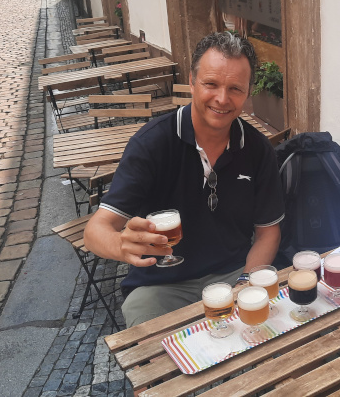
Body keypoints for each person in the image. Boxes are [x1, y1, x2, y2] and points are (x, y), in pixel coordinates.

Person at [83, 32, 285, 328]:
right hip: (162, 286)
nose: (222, 98)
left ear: (248, 92)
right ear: (192, 81)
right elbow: (94, 232)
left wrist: (245, 282)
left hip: (234, 272)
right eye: (211, 84)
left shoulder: (257, 149)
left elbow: (268, 233)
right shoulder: (152, 144)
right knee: (146, 336)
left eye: (235, 89)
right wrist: (121, 245)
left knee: (272, 333)